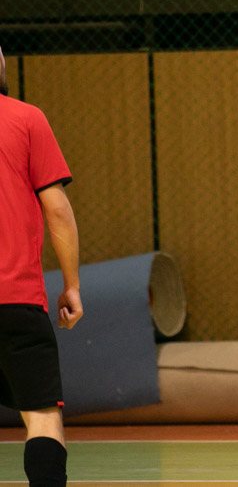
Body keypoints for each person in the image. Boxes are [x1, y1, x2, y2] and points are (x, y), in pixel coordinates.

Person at [0, 46, 83, 487]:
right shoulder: (27, 119)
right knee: (43, 418)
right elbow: (58, 210)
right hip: (17, 299)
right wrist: (71, 285)